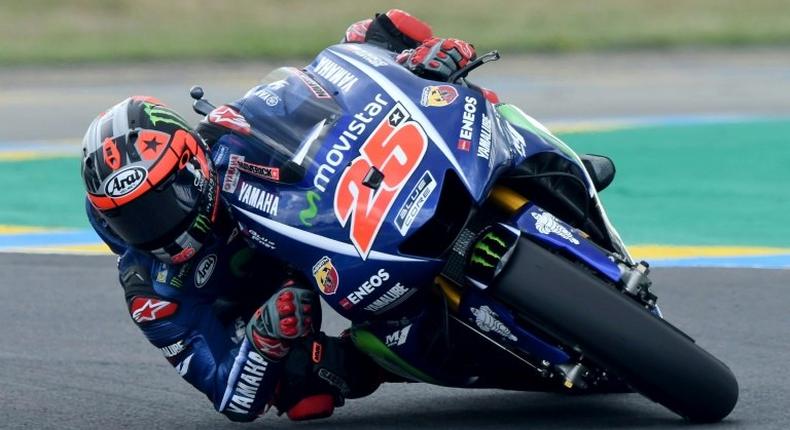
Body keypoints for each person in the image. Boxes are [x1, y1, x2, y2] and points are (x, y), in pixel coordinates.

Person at [81, 10, 479, 422]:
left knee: (382, 29)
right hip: (282, 305)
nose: (154, 230)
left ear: (192, 166)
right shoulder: (150, 292)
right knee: (304, 392)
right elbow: (227, 396)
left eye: (160, 205)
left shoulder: (228, 134)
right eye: (130, 219)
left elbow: (322, 85)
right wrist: (262, 340)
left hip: (332, 223)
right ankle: (424, 356)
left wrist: (406, 61)